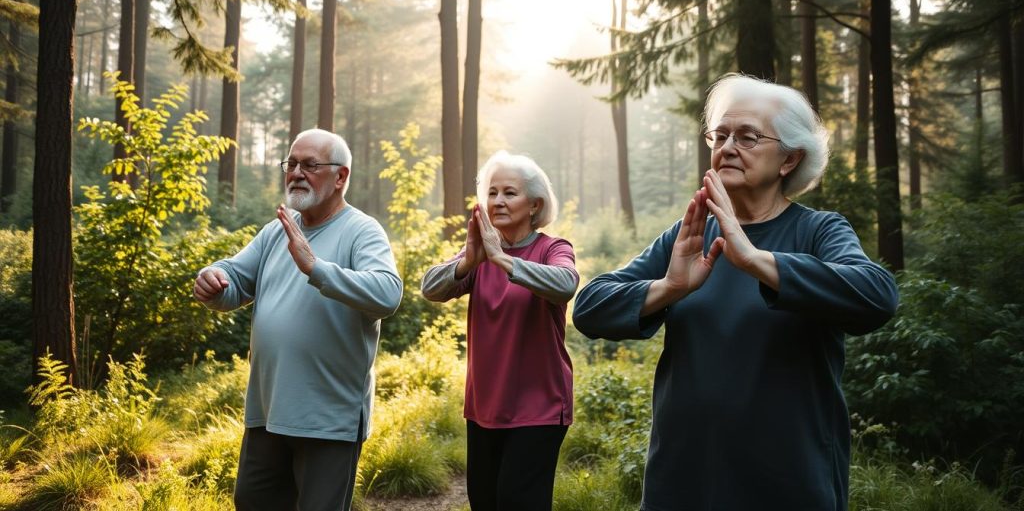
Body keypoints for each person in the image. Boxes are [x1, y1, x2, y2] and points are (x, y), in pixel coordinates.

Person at [573, 74, 899, 511]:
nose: (727, 147)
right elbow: (591, 307)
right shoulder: (687, 236)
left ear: (788, 160)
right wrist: (669, 287)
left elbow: (877, 296)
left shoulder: (817, 230)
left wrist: (756, 261)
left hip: (787, 482)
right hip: (683, 480)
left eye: (748, 136)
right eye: (720, 134)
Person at [193, 128, 403, 511]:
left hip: (328, 418)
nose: (296, 173)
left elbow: (388, 293)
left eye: (310, 165)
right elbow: (236, 279)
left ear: (341, 177)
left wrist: (315, 267)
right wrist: (213, 280)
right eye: (291, 164)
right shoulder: (278, 228)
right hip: (268, 410)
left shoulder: (362, 230)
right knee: (253, 502)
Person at [421, 151, 578, 511]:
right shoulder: (477, 255)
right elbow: (430, 288)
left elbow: (565, 283)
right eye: (492, 193)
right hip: (485, 406)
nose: (498, 201)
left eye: (510, 193)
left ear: (535, 205)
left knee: (517, 500)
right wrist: (469, 262)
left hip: (539, 407)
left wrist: (503, 260)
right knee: (485, 501)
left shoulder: (552, 248)